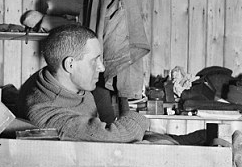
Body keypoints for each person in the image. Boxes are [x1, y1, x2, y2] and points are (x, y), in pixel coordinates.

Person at [17, 24, 150, 142]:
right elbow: (119, 136)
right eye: (94, 61)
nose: (102, 68)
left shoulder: (53, 75)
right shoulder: (46, 114)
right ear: (70, 65)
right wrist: (139, 118)